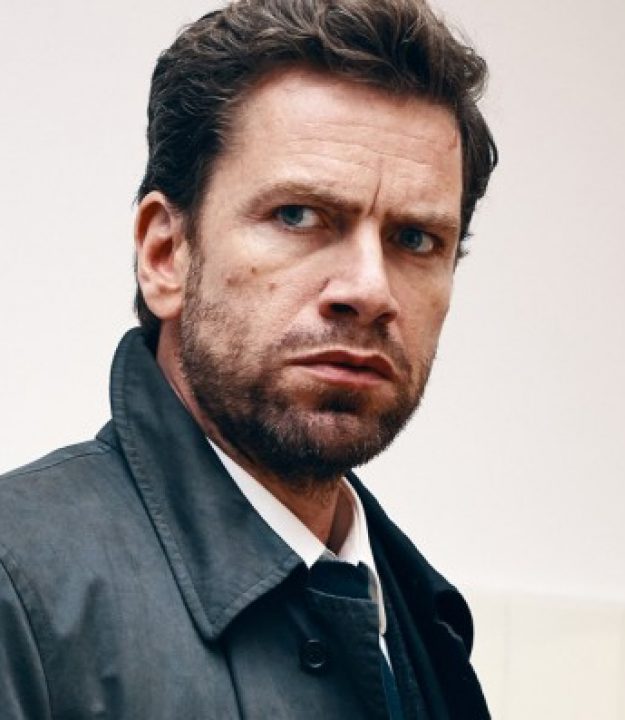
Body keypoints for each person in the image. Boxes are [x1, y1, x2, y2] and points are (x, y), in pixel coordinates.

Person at [0, 0, 497, 717]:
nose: (369, 290)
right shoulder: (20, 590)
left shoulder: (423, 622)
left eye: (416, 239)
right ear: (165, 254)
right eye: (298, 216)